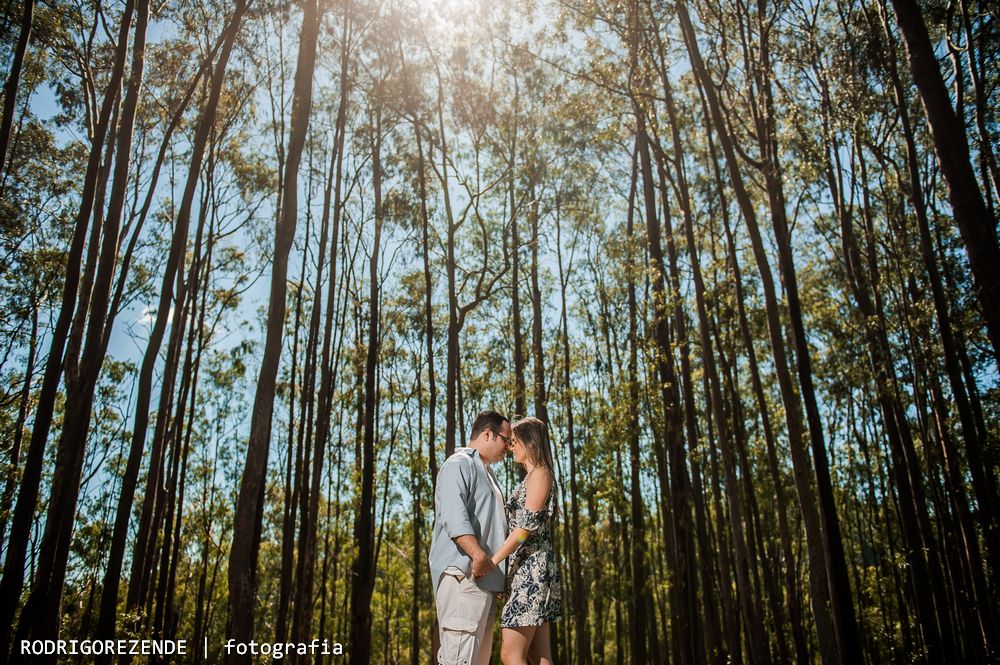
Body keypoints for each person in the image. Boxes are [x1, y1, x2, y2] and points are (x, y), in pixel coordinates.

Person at [429, 410, 512, 665]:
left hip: (485, 584)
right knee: (458, 660)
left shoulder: (487, 473)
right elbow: (454, 516)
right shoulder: (459, 464)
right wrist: (477, 555)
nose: (508, 448)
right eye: (505, 440)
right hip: (463, 578)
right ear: (487, 433)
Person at [491, 416, 562, 665]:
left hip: (531, 572)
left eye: (513, 442)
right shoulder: (531, 477)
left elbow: (524, 529)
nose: (510, 447)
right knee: (537, 655)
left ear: (529, 442)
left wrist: (493, 563)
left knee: (511, 655)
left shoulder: (540, 473)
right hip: (525, 570)